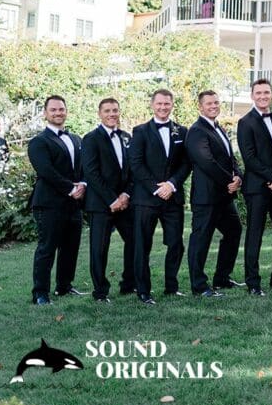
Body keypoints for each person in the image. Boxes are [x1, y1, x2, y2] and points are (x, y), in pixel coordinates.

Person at [130, 89, 191, 305]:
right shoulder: (140, 131)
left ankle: (171, 287)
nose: (163, 107)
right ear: (152, 105)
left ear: (172, 105)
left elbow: (186, 163)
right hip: (146, 199)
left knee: (176, 244)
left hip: (172, 197)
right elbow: (136, 163)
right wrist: (156, 188)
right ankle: (143, 291)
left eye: (167, 104)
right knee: (142, 246)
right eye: (159, 104)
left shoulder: (182, 131)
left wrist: (172, 184)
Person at [27, 95, 86, 305]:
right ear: (45, 113)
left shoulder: (76, 139)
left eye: (61, 109)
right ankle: (40, 293)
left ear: (66, 111)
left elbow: (84, 166)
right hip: (49, 204)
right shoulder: (38, 142)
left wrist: (83, 184)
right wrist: (71, 188)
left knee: (71, 247)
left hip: (73, 204)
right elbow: (46, 171)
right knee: (47, 248)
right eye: (53, 110)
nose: (58, 113)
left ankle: (64, 286)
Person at [185, 90, 244, 298]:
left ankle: (222, 278)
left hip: (224, 197)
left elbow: (230, 158)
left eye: (216, 102)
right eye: (209, 103)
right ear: (200, 107)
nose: (213, 106)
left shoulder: (219, 128)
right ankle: (199, 286)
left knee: (234, 231)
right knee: (201, 240)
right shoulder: (196, 131)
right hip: (206, 197)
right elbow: (207, 162)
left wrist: (238, 176)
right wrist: (229, 181)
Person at [236, 79, 272, 297]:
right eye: (258, 93)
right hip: (257, 187)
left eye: (266, 92)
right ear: (252, 96)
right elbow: (249, 158)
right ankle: (252, 282)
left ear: (271, 94)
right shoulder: (245, 122)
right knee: (255, 234)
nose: (262, 96)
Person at [81, 98, 135, 303]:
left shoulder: (127, 137)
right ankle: (100, 292)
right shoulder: (90, 139)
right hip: (101, 204)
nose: (112, 114)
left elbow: (133, 170)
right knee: (99, 248)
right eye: (107, 111)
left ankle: (128, 284)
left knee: (135, 241)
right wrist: (112, 199)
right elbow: (91, 173)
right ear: (100, 113)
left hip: (124, 202)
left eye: (115, 110)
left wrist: (126, 195)